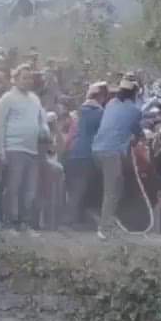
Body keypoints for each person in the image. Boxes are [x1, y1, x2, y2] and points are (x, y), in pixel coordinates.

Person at [0, 65, 50, 233]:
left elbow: (42, 120)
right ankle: (10, 223)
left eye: (30, 78)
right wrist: (0, 150)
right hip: (14, 148)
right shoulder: (7, 98)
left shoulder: (35, 99)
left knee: (30, 190)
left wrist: (45, 130)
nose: (28, 81)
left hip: (32, 150)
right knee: (13, 188)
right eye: (24, 77)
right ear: (15, 79)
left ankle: (25, 223)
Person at [92, 79, 144, 240]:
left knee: (118, 184)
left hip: (96, 149)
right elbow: (137, 131)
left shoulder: (110, 104)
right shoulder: (135, 110)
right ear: (134, 93)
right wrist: (139, 137)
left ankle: (108, 218)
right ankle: (104, 228)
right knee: (112, 191)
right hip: (111, 152)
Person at [66, 81, 109, 229]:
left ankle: (73, 219)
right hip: (88, 154)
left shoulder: (78, 112)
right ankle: (73, 220)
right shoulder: (100, 114)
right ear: (101, 97)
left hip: (73, 152)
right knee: (82, 189)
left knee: (75, 188)